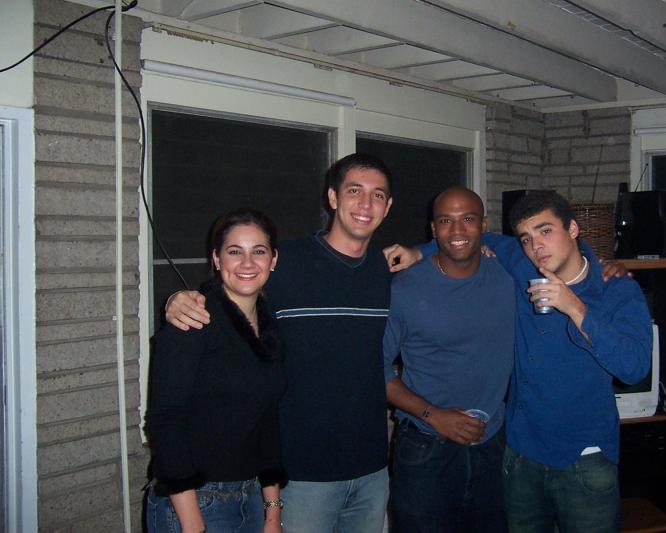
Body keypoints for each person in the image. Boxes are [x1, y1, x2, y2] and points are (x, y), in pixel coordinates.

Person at [393, 190, 649, 533]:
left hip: (584, 456)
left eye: (546, 231)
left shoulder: (616, 289)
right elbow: (466, 237)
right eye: (526, 238)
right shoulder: (521, 264)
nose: (536, 246)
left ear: (573, 229)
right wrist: (418, 252)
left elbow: (634, 368)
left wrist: (575, 308)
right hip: (519, 455)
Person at [163, 153, 394, 533]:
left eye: (378, 195)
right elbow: (232, 287)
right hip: (301, 474)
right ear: (333, 198)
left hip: (372, 470)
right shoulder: (285, 263)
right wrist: (177, 300)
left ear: (388, 206)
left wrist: (423, 252)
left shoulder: (386, 270)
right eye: (354, 191)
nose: (366, 204)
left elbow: (455, 251)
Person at [145, 208, 286, 533]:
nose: (247, 263)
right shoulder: (192, 320)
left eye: (259, 251)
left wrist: (272, 512)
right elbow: (165, 423)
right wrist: (194, 525)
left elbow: (267, 420)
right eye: (235, 251)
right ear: (217, 259)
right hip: (195, 502)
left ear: (273, 260)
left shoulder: (269, 328)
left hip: (252, 497)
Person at [383, 186, 514, 533]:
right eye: (446, 220)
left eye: (467, 219)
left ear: (483, 225)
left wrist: (604, 267)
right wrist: (434, 415)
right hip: (426, 447)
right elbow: (373, 371)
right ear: (433, 229)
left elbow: (561, 256)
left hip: (492, 444)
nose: (457, 230)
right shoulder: (405, 289)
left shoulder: (508, 278)